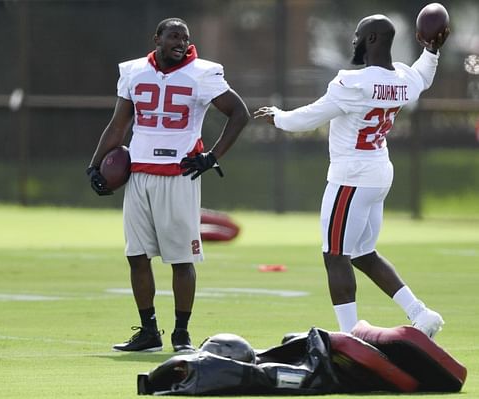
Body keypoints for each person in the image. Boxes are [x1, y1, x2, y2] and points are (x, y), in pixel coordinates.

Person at [255, 14, 449, 338]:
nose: (354, 41)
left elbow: (312, 116)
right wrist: (431, 51)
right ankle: (421, 313)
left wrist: (278, 118)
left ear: (372, 40)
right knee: (362, 254)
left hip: (351, 176)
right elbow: (423, 76)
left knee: (335, 255)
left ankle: (350, 336)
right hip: (378, 173)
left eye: (358, 35)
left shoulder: (352, 82)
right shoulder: (403, 79)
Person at [87, 17, 250, 352]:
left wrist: (212, 156)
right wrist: (94, 165)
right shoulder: (134, 71)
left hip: (179, 174)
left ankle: (181, 334)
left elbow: (240, 113)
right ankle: (148, 333)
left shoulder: (203, 72)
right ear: (157, 38)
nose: (180, 42)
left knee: (180, 259)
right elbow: (118, 124)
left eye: (185, 38)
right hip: (139, 173)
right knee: (136, 255)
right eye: (174, 36)